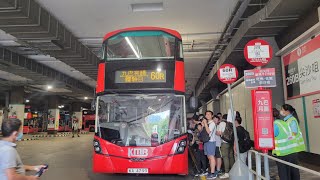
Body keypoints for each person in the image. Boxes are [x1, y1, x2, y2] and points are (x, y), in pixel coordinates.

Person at [273, 105, 306, 180]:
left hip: (291, 148)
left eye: (282, 109)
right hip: (290, 149)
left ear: (287, 111)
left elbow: (293, 133)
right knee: (291, 171)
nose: (281, 111)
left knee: (292, 172)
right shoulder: (286, 120)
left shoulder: (292, 120)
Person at [217, 114, 234, 179]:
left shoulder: (222, 123)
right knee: (231, 156)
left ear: (222, 118)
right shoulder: (231, 123)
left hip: (224, 142)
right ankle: (232, 170)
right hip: (231, 142)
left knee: (225, 157)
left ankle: (227, 172)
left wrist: (218, 133)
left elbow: (218, 133)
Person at [202, 110, 218, 179]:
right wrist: (203, 125)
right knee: (209, 157)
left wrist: (205, 124)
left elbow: (208, 132)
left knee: (211, 157)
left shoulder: (212, 123)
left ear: (212, 116)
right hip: (206, 142)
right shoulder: (208, 123)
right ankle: (212, 171)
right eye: (206, 114)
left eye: (209, 114)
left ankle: (213, 173)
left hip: (211, 142)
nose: (207, 115)